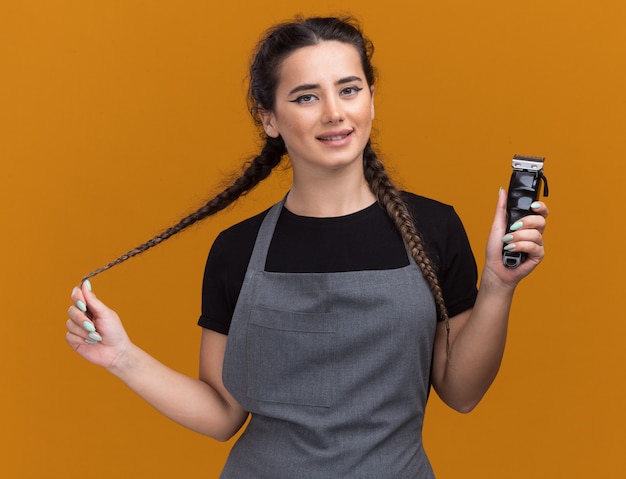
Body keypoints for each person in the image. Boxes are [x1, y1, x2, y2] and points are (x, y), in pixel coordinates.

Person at [66, 16, 548, 478]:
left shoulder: (434, 227)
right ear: (269, 119)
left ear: (372, 100)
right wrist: (122, 357)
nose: (334, 112)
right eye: (305, 97)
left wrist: (498, 287)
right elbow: (223, 413)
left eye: (349, 89)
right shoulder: (237, 250)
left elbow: (461, 392)